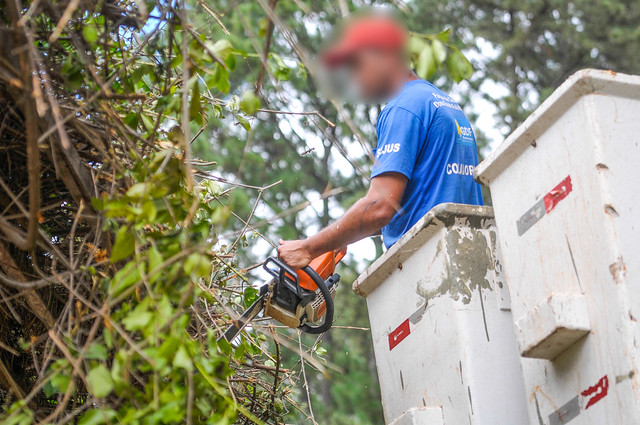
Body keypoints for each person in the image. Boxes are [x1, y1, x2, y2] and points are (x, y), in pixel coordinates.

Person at [278, 13, 483, 270]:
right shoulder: (438, 101)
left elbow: (379, 207)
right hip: (468, 255)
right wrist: (342, 234)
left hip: (431, 266)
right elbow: (424, 199)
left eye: (356, 65)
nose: (354, 78)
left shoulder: (403, 108)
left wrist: (308, 248)